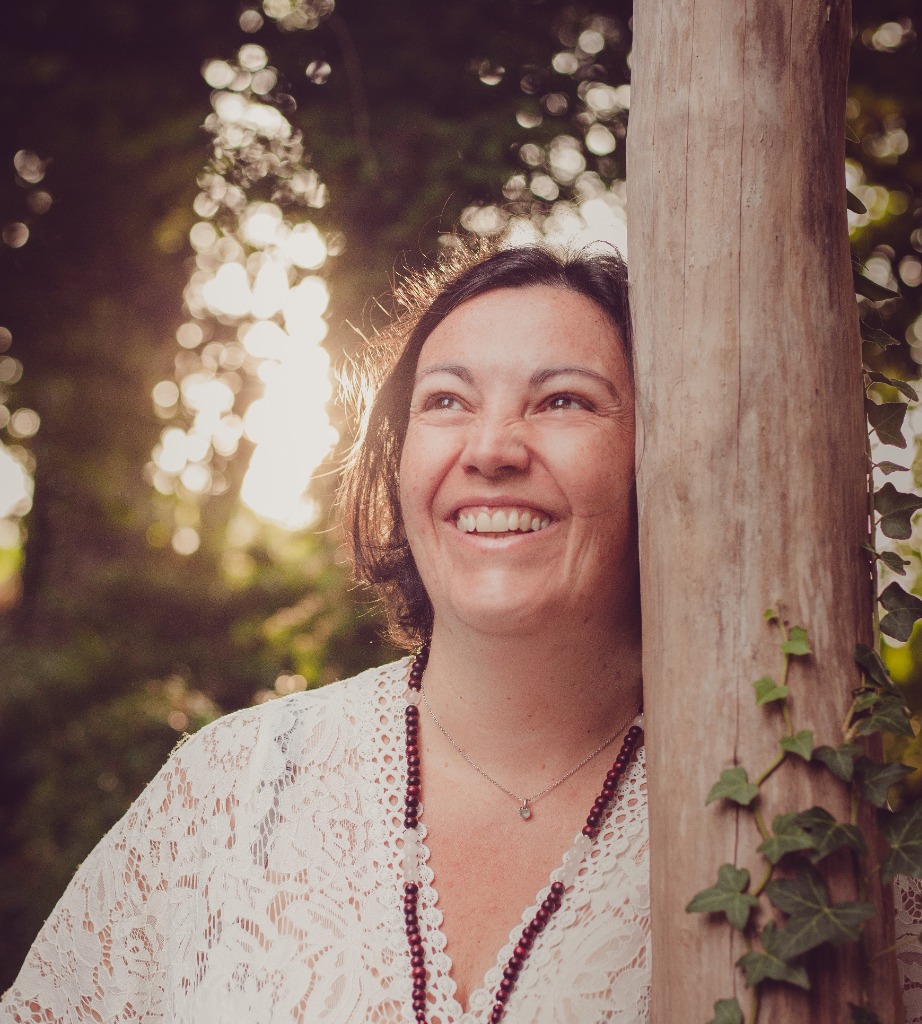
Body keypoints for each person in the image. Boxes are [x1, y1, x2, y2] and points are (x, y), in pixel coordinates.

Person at [0, 244, 918, 1023]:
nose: (491, 449)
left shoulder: (791, 809)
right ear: (399, 459)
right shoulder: (233, 787)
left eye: (563, 401)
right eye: (446, 401)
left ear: (662, 457)